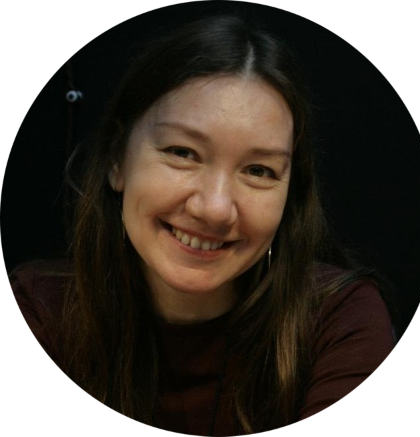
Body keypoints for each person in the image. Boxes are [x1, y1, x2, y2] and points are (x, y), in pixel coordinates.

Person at [9, 14, 397, 436]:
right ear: (118, 159)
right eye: (183, 152)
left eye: (258, 171)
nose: (214, 209)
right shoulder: (39, 310)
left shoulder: (339, 321)